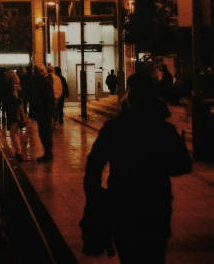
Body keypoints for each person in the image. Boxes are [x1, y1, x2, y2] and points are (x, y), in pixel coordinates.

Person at [82, 71, 192, 263]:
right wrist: (157, 166)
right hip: (155, 202)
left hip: (123, 202)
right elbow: (183, 164)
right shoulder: (163, 130)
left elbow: (94, 164)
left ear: (130, 99)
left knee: (129, 254)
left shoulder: (114, 128)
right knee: (155, 254)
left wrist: (95, 194)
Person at [29, 63, 55, 162]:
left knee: (45, 133)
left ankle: (48, 153)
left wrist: (52, 114)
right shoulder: (42, 81)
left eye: (36, 71)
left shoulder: (44, 82)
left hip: (44, 112)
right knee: (43, 133)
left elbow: (48, 99)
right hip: (43, 112)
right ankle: (48, 152)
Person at [1, 69, 26, 162]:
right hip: (18, 111)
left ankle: (18, 153)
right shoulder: (19, 86)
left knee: (13, 133)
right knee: (15, 132)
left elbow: (9, 100)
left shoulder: (10, 87)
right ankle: (18, 151)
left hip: (13, 112)